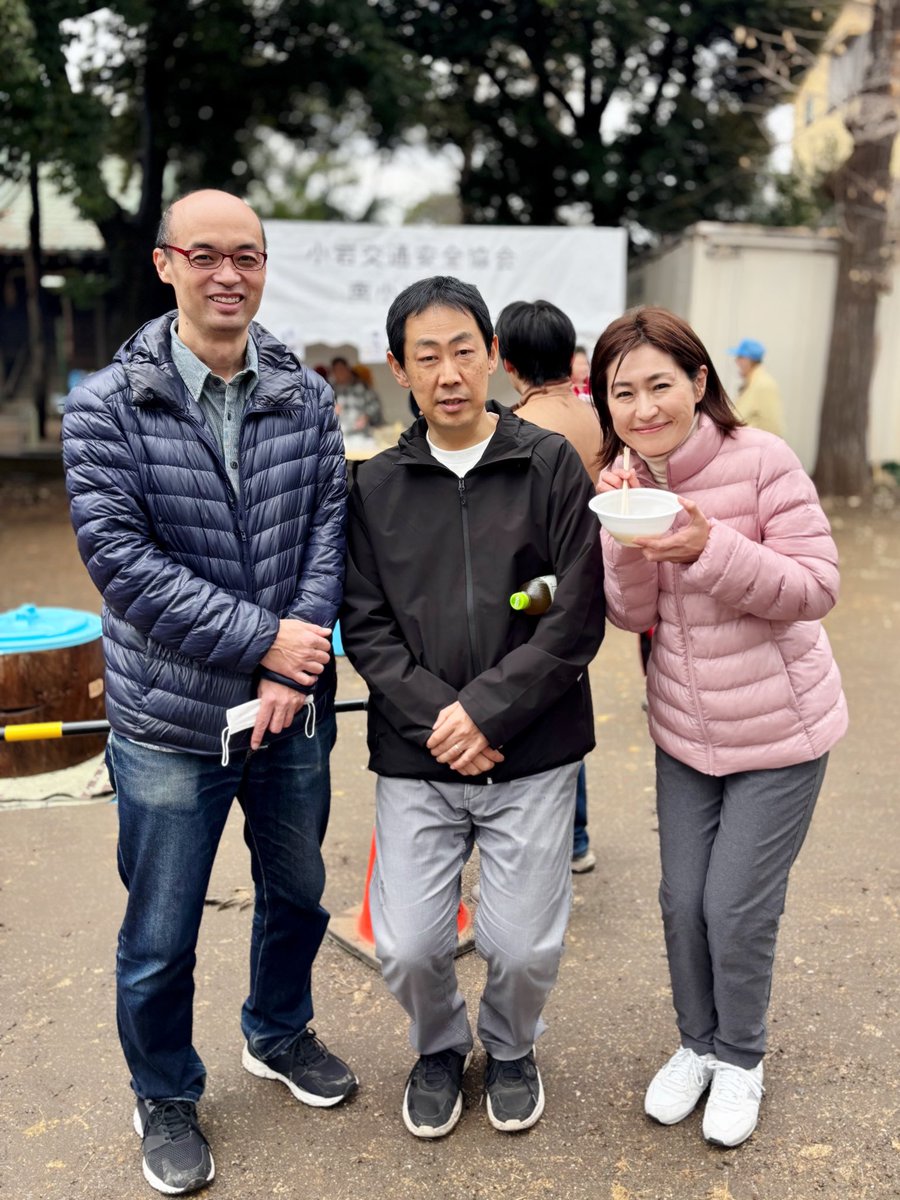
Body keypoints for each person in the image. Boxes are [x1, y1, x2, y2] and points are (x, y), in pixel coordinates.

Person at [61, 189, 356, 1196]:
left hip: (294, 710)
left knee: (301, 892)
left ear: (266, 268)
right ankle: (166, 1090)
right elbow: (123, 565)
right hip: (170, 719)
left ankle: (277, 1032)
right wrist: (266, 642)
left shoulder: (306, 395)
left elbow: (327, 526)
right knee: (162, 926)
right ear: (165, 264)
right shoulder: (108, 403)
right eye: (207, 254)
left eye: (250, 256)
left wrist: (290, 659)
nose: (229, 273)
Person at [340, 275, 605, 1139]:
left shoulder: (548, 462)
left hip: (531, 748)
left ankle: (512, 1044)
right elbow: (367, 629)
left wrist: (489, 712)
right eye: (427, 356)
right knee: (410, 945)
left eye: (464, 350)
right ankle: (441, 1047)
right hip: (419, 755)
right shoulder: (374, 486)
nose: (449, 372)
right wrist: (441, 719)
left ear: (493, 354)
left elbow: (573, 611)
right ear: (397, 370)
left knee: (523, 946)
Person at [591, 306, 847, 1148]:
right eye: (622, 393)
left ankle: (741, 1059)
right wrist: (628, 537)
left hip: (781, 731)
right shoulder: (626, 479)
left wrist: (706, 547)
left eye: (659, 384)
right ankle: (697, 1044)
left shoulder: (763, 461)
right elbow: (632, 617)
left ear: (700, 382)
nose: (643, 408)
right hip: (686, 733)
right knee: (679, 902)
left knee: (734, 907)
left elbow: (814, 587)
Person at [495, 298, 603, 872]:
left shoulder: (524, 430)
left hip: (537, 590)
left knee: (530, 703)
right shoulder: (595, 417)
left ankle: (557, 836)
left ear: (507, 363)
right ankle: (577, 838)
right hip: (587, 582)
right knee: (562, 693)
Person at [728, 337, 785, 436]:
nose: (736, 361)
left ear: (749, 360)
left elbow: (773, 428)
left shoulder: (764, 385)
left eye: (740, 357)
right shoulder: (751, 383)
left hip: (755, 448)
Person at [331, 355, 383, 448]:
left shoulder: (362, 386)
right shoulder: (330, 390)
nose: (340, 373)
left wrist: (367, 416)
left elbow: (375, 405)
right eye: (337, 370)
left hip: (362, 436)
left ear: (348, 369)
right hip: (341, 437)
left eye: (342, 369)